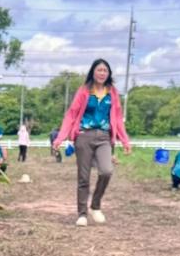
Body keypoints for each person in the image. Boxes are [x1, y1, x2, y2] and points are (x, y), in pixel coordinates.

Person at [52, 58, 132, 226]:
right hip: (84, 136)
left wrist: (124, 140)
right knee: (83, 177)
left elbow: (117, 117)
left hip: (104, 137)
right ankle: (82, 214)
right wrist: (60, 137)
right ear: (93, 72)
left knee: (106, 171)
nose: (102, 73)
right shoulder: (84, 91)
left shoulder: (112, 92)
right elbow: (72, 114)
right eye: (99, 70)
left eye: (105, 70)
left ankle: (95, 205)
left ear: (108, 74)